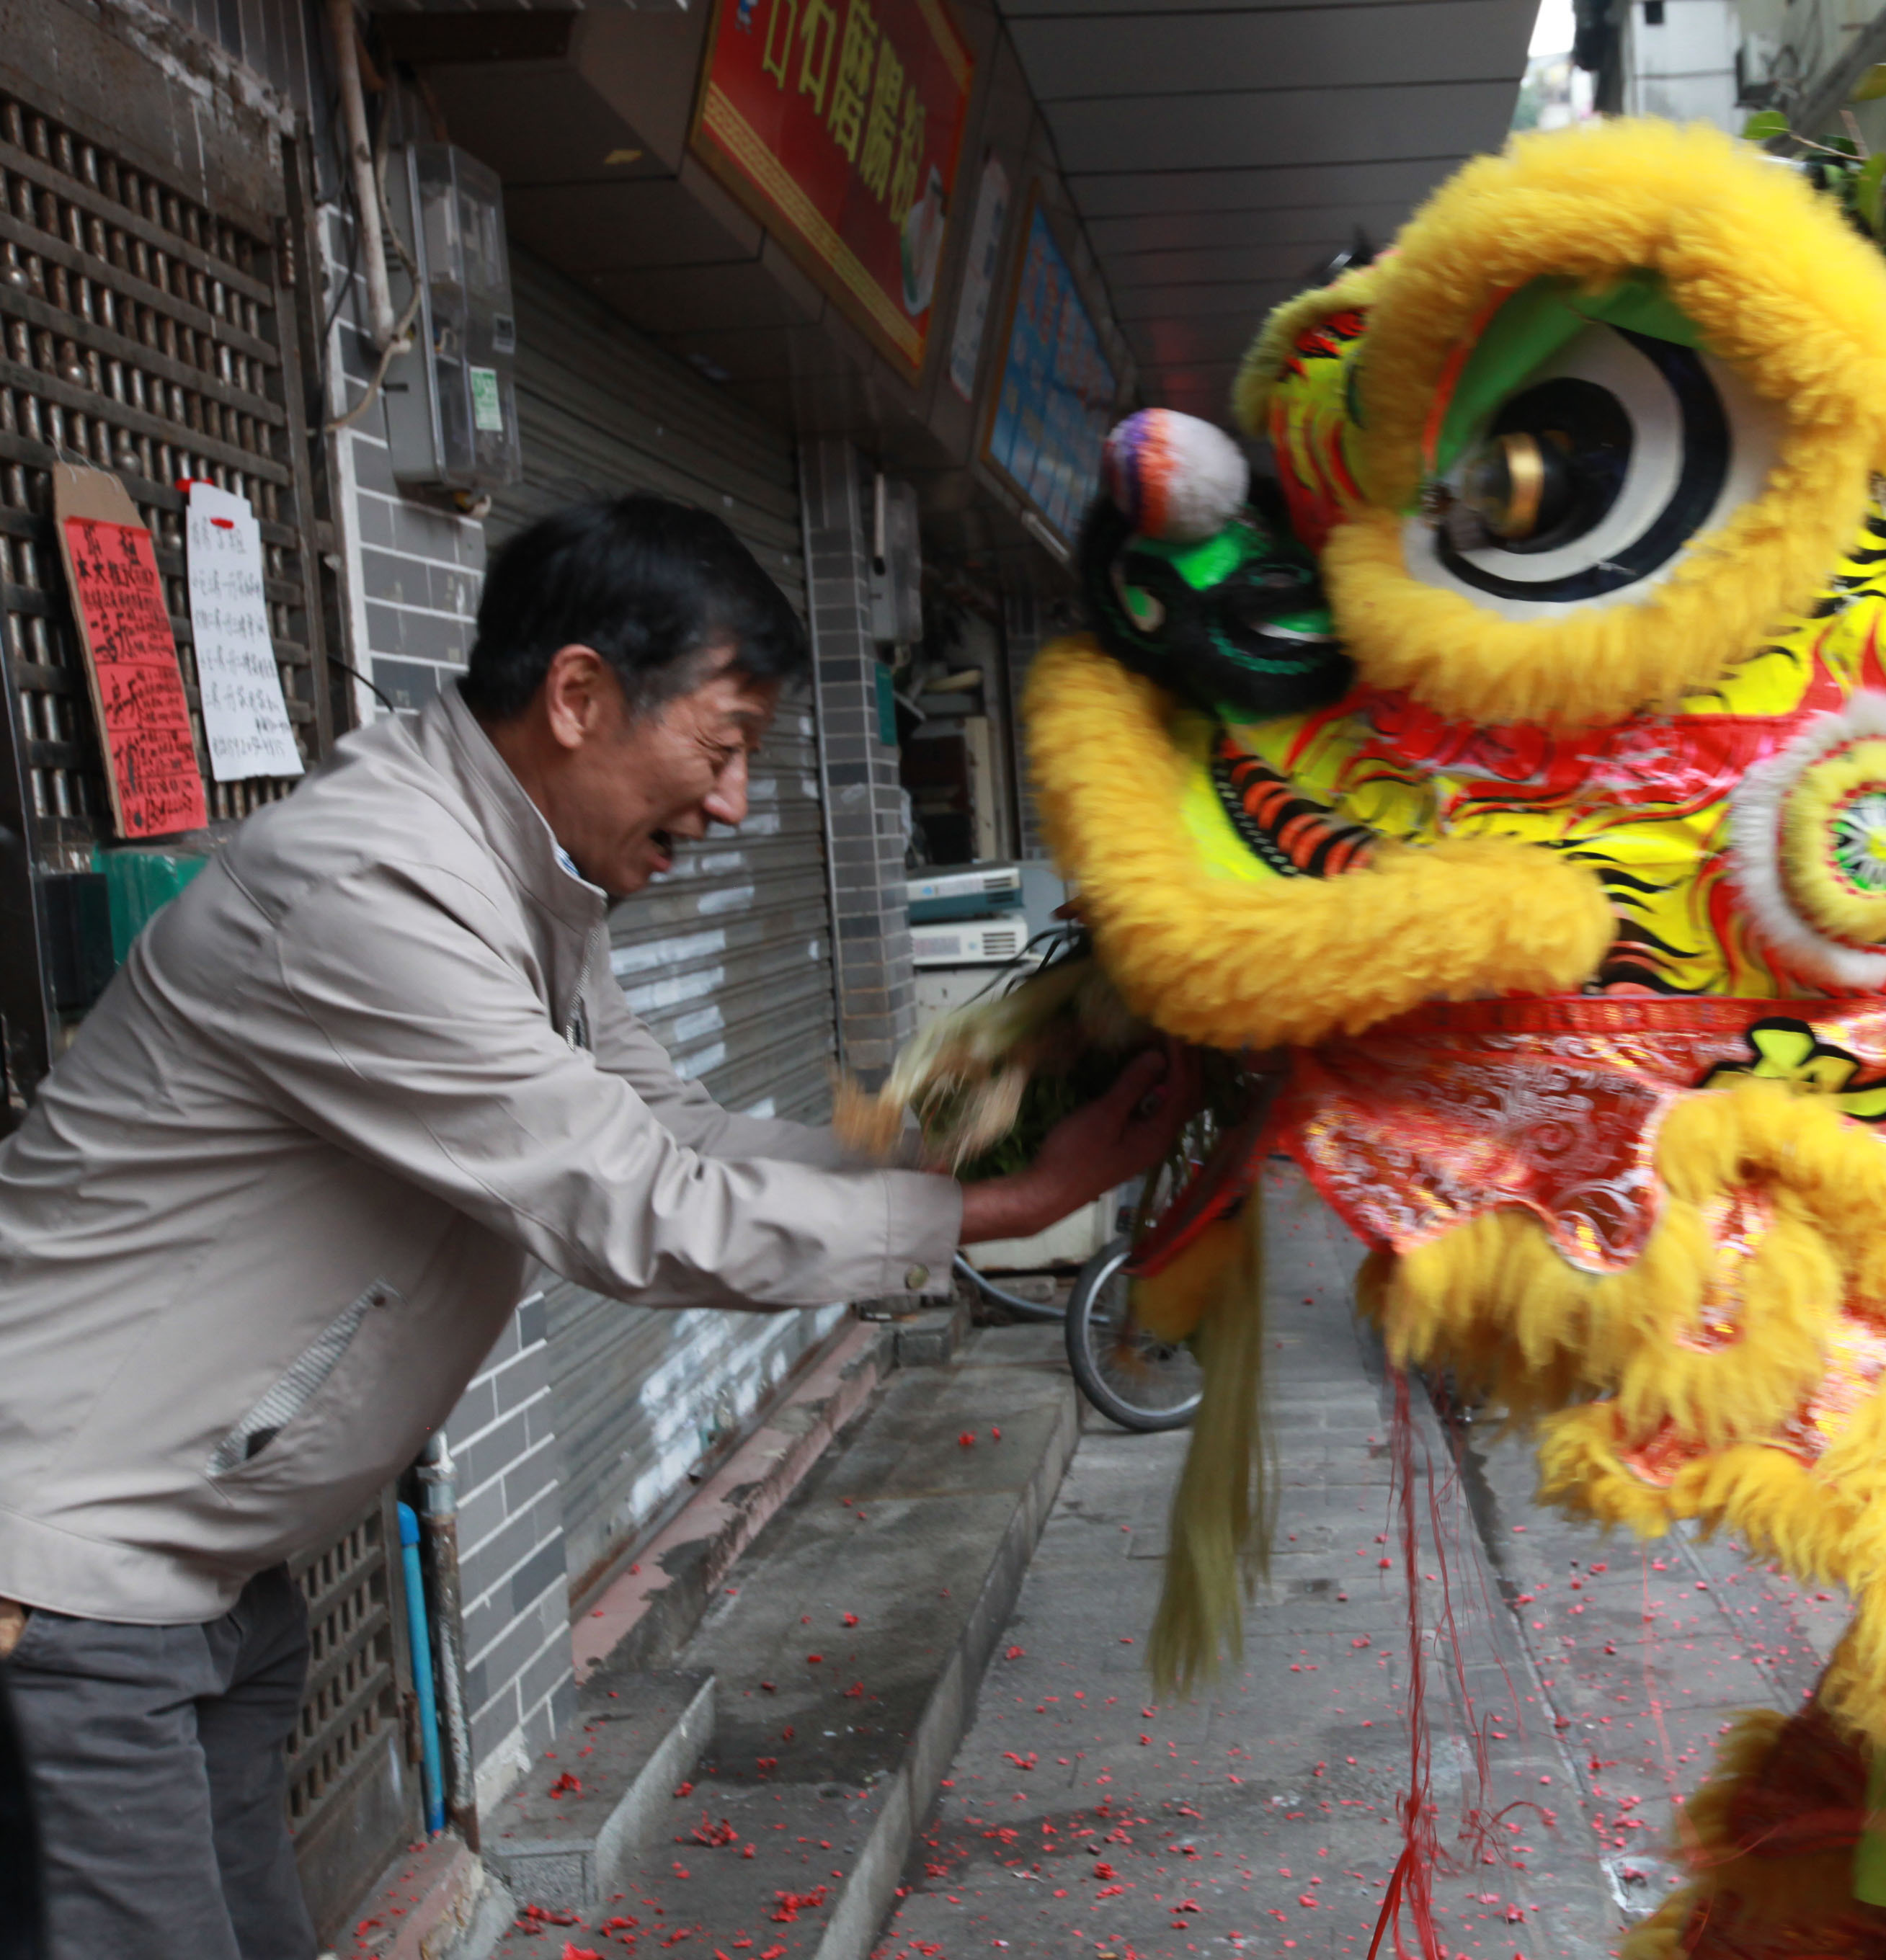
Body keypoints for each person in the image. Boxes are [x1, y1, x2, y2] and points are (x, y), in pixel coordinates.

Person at [0, 497, 1196, 1960]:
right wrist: (1002, 1206)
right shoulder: (374, 891)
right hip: (61, 1581)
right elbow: (632, 1205)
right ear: (577, 696)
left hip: (197, 1580)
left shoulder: (522, 893)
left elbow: (674, 1133)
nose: (737, 802)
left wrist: (955, 1133)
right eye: (723, 742)